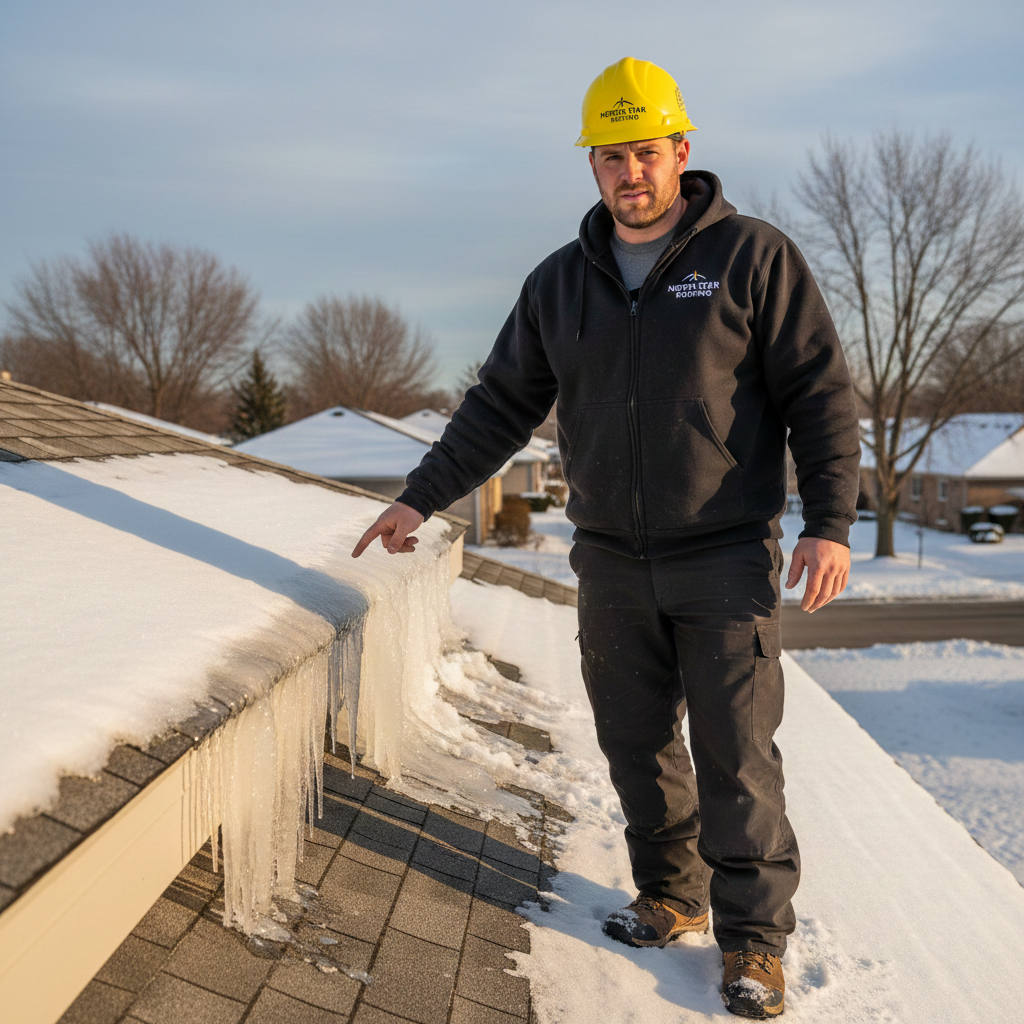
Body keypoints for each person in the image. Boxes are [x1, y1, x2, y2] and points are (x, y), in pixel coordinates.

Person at [353, 56, 860, 1019]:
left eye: (645, 152)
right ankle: (672, 895)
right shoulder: (559, 284)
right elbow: (500, 405)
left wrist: (830, 522)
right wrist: (421, 498)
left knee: (737, 755)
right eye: (610, 156)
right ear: (593, 166)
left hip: (723, 554)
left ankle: (755, 946)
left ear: (681, 151)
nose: (630, 172)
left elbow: (820, 395)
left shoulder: (751, 257)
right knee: (635, 743)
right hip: (610, 559)